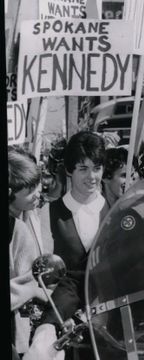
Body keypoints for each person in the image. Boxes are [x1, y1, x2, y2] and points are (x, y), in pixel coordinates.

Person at [29, 131, 110, 360]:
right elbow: (47, 276)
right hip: (66, 328)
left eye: (97, 167)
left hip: (111, 326)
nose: (92, 176)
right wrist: (57, 317)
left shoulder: (117, 210)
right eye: (83, 169)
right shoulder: (50, 213)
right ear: (68, 171)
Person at [9, 148, 49, 358]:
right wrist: (33, 289)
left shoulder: (30, 217)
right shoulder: (17, 229)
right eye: (30, 189)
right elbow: (28, 283)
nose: (38, 193)